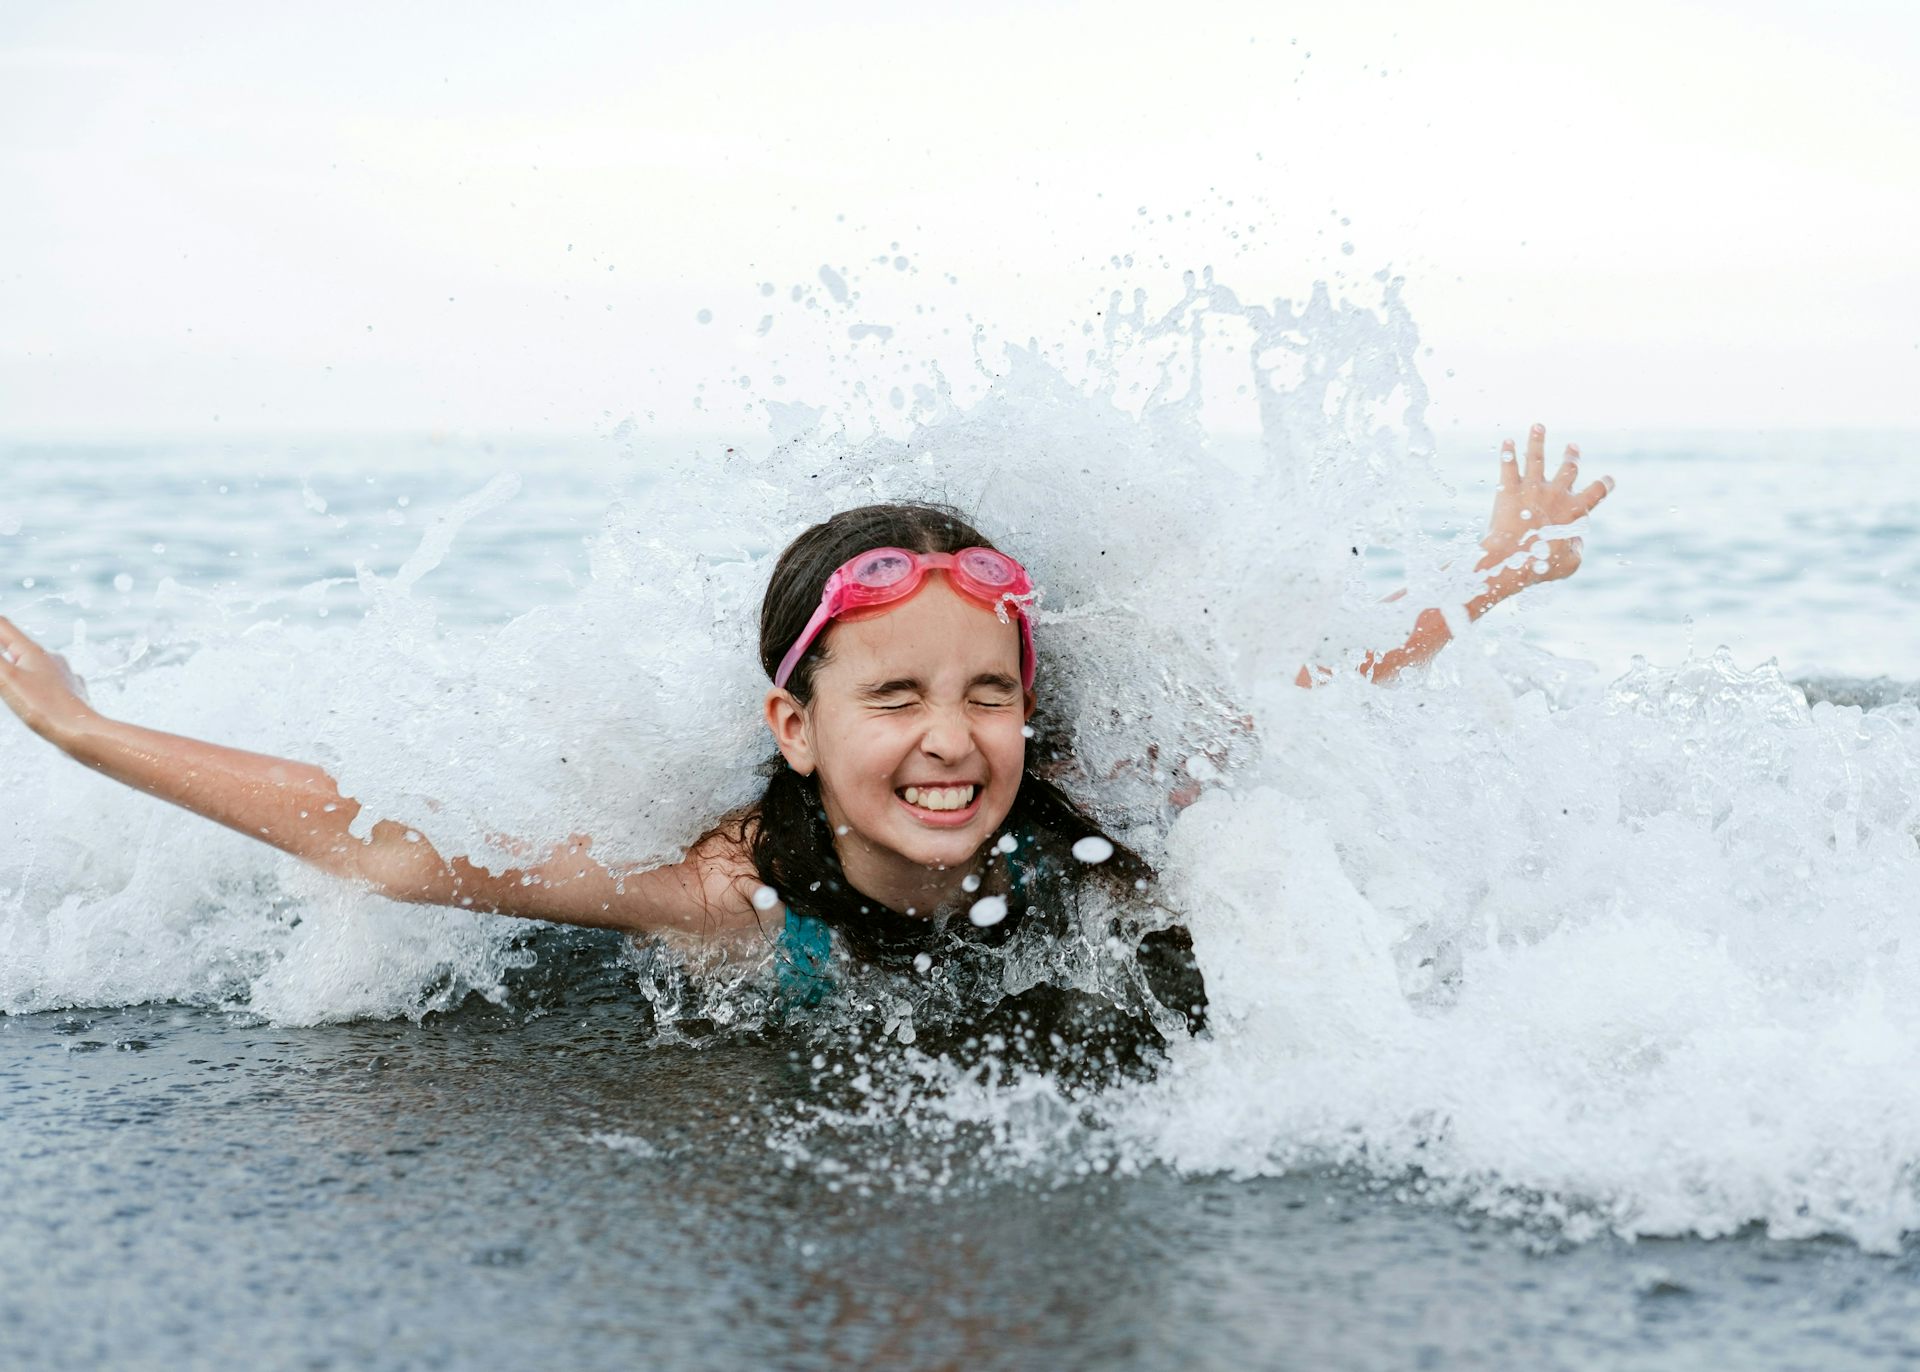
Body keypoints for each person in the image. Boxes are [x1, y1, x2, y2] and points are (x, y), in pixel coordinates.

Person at [0, 426, 1610, 1033]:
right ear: (794, 724)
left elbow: (1309, 699)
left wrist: (1484, 584)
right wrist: (84, 730)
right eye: (893, 697)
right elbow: (405, 850)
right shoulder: (732, 895)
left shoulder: (1080, 805)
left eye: (987, 693)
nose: (951, 739)